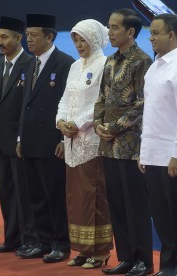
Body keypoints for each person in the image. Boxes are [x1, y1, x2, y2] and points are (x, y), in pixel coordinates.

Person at [93, 8, 153, 276]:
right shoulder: (109, 62)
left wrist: (113, 127)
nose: (110, 32)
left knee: (135, 206)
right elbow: (101, 98)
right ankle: (126, 257)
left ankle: (143, 261)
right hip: (107, 145)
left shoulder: (142, 61)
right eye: (109, 26)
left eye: (115, 27)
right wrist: (97, 124)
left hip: (130, 146)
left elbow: (142, 104)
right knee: (116, 204)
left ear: (130, 32)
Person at [139, 14, 177, 276]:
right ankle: (168, 266)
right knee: (161, 218)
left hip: (172, 157)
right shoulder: (154, 67)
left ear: (172, 35)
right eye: (150, 33)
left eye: (155, 33)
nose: (150, 38)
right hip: (152, 154)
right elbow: (150, 115)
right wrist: (143, 153)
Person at [16, 14, 74, 263]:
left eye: (33, 35)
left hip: (52, 142)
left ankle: (60, 244)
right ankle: (41, 241)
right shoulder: (30, 64)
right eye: (27, 35)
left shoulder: (65, 63)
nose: (28, 39)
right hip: (29, 140)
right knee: (36, 196)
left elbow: (69, 105)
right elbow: (24, 105)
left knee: (54, 196)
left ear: (49, 36)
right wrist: (20, 137)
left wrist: (63, 139)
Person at [56, 19, 113, 269]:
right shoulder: (75, 66)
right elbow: (64, 100)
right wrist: (60, 123)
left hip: (91, 141)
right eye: (75, 39)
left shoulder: (105, 64)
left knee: (94, 196)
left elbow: (101, 104)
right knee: (76, 198)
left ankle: (100, 251)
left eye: (83, 39)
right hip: (70, 142)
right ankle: (81, 249)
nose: (79, 44)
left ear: (95, 39)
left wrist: (77, 124)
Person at [0, 16, 36, 253]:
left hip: (19, 143)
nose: (0, 41)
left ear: (19, 38)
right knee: (6, 192)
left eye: (5, 37)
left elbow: (28, 107)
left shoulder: (31, 64)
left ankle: (30, 240)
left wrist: (21, 138)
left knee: (24, 193)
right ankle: (12, 238)